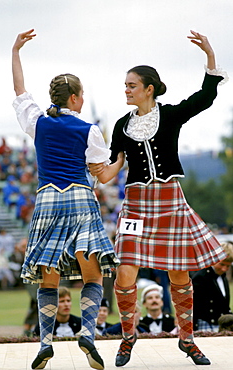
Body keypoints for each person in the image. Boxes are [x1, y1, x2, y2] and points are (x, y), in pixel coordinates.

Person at [89, 30, 228, 367]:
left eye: (131, 85)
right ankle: (127, 336)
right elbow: (111, 170)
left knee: (179, 275)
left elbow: (205, 96)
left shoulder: (170, 115)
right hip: (136, 203)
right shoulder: (122, 125)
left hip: (170, 199)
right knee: (125, 273)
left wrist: (209, 54)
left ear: (148, 89)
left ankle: (187, 339)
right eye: (125, 85)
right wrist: (90, 166)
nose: (126, 89)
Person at [12, 29, 123, 370]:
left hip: (46, 199)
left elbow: (20, 90)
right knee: (91, 277)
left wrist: (15, 50)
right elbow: (104, 176)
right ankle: (87, 333)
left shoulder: (38, 122)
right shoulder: (88, 129)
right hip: (79, 197)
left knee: (50, 279)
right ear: (75, 98)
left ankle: (45, 341)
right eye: (81, 94)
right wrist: (122, 158)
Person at [192, 241, 233, 332]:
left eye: (228, 266)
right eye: (222, 264)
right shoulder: (200, 277)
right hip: (204, 324)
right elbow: (193, 306)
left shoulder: (223, 277)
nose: (224, 269)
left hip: (222, 324)